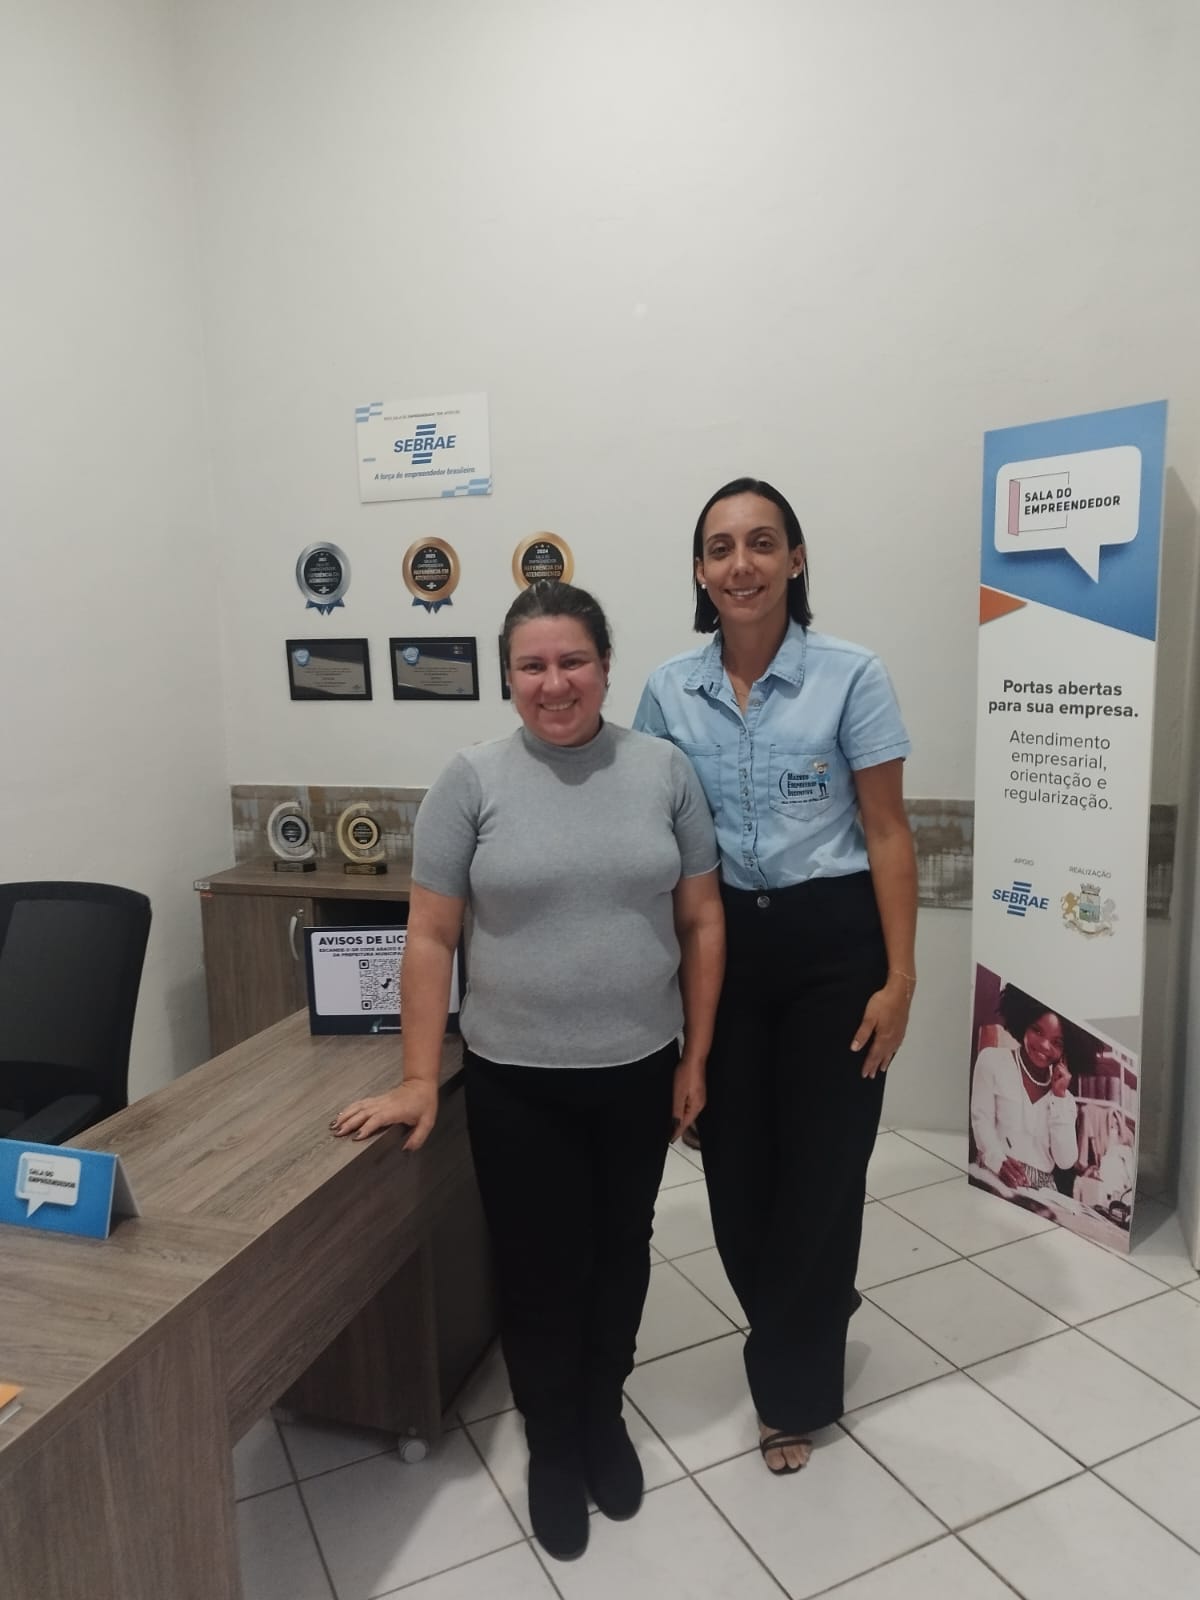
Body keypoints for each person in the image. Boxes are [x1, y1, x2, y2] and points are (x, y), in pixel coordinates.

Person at [332, 580, 723, 1561]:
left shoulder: (664, 771)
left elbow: (701, 919)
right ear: (508, 676)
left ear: (605, 666)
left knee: (621, 1250)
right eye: (533, 665)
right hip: (516, 1081)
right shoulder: (471, 781)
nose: (555, 683)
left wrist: (698, 1053)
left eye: (573, 661)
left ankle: (601, 1414)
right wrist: (419, 1077)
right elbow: (430, 937)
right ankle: (552, 1437)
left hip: (637, 1070)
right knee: (538, 1263)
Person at [634, 477, 917, 1476]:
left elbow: (887, 832)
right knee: (738, 1170)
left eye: (762, 542)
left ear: (795, 560)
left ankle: (791, 1391)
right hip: (723, 951)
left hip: (834, 946)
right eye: (720, 547)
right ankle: (811, 1309)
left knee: (824, 1170)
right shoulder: (669, 691)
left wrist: (901, 978)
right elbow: (652, 839)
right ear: (699, 572)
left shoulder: (851, 675)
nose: (741, 563)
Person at [970, 984, 1079, 1190]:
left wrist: (1059, 1097)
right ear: (1023, 1025)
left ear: (1066, 1052)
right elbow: (981, 1120)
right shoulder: (992, 1061)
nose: (1045, 1045)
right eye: (1037, 1030)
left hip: (1043, 1190)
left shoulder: (1066, 1100)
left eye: (1057, 1042)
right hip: (993, 1173)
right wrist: (998, 1161)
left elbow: (1065, 1161)